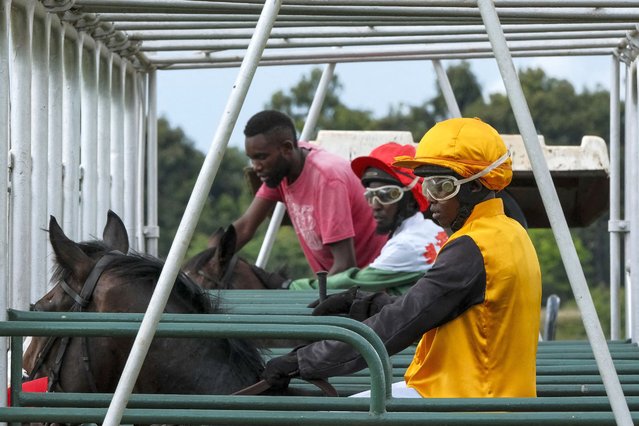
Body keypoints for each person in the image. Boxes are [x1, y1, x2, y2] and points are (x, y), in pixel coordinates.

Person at [263, 117, 542, 398]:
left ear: (475, 187)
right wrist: (367, 303)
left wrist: (301, 361)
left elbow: (400, 323)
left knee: (335, 415)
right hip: (491, 394)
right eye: (425, 185)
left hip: (464, 399)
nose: (429, 198)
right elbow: (430, 308)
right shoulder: (511, 233)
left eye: (440, 186)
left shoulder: (472, 246)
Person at [229, 110, 387, 275]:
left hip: (368, 284)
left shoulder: (327, 180)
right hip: (334, 282)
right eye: (252, 158)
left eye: (261, 157)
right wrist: (208, 260)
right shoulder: (279, 170)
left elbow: (346, 265)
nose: (255, 166)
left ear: (287, 148)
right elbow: (245, 228)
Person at [286, 142, 447, 295]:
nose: (375, 205)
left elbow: (351, 283)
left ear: (411, 199)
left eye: (387, 195)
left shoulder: (407, 244)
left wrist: (291, 286)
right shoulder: (432, 230)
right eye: (370, 195)